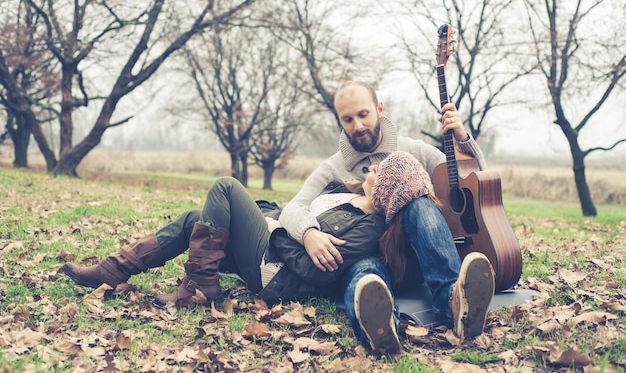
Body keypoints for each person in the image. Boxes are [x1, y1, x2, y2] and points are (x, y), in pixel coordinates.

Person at [61, 153, 439, 310]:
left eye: (378, 172)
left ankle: (200, 285)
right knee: (196, 216)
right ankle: (113, 270)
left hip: (276, 274)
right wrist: (283, 223)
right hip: (270, 248)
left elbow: (311, 270)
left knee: (225, 185)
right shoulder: (345, 192)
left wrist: (276, 232)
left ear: (387, 188)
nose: (369, 172)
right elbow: (296, 210)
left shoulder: (371, 231)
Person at [277, 81, 493, 353]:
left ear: (379, 109)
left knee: (417, 204)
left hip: (417, 261)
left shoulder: (413, 151)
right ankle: (381, 328)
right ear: (340, 121)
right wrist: (309, 234)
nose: (357, 125)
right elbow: (293, 208)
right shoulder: (333, 167)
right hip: (366, 258)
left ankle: (453, 304)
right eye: (348, 119)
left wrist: (462, 138)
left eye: (363, 114)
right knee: (365, 276)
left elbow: (472, 180)